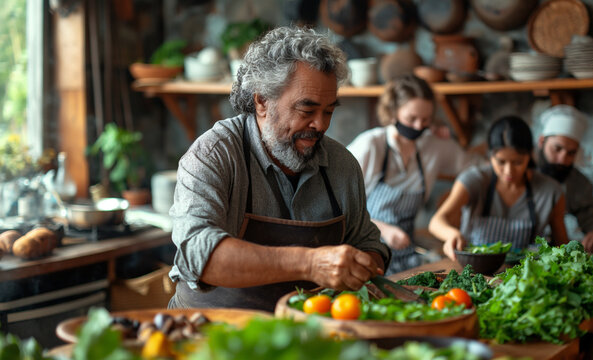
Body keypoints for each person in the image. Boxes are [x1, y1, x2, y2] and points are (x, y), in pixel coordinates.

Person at [167, 26, 390, 311]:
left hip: (302, 334)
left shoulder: (342, 165)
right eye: (306, 111)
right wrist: (309, 264)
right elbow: (201, 255)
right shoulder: (214, 154)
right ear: (262, 101)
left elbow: (367, 243)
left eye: (329, 111)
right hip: (210, 335)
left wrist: (364, 265)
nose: (321, 124)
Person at [347, 74, 480, 274]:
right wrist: (383, 229)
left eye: (425, 119)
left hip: (407, 254)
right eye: (412, 118)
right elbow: (342, 207)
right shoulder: (371, 145)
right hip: (364, 255)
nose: (419, 126)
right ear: (393, 112)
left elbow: (476, 168)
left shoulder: (433, 146)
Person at [428, 116, 569, 261]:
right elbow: (436, 222)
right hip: (475, 272)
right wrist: (452, 234)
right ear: (490, 156)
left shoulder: (551, 191)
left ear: (530, 155)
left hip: (525, 276)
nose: (509, 171)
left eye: (517, 162)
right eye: (501, 162)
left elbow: (562, 244)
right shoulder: (474, 180)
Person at [536, 105, 593, 253]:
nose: (563, 160)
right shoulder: (521, 170)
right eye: (557, 149)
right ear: (541, 142)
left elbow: (590, 215)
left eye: (571, 153)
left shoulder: (579, 183)